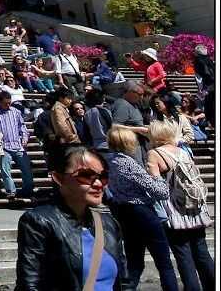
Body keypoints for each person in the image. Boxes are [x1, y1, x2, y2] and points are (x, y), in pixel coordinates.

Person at [15, 146, 128, 289]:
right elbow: (28, 284)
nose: (98, 184)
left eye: (103, 176)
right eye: (86, 175)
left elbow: (124, 281)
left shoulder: (108, 223)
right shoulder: (39, 221)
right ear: (58, 178)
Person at [105, 126, 178, 291]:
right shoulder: (128, 163)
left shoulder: (108, 160)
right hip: (142, 212)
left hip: (123, 212)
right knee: (164, 262)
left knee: (134, 262)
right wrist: (157, 175)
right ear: (127, 143)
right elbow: (160, 191)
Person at [145, 121, 214, 291]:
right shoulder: (183, 152)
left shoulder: (154, 154)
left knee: (183, 254)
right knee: (202, 252)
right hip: (194, 206)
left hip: (174, 210)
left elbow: (157, 186)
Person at [0, 91, 33, 201]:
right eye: (6, 103)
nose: (8, 105)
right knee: (6, 171)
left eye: (9, 103)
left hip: (18, 146)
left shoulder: (15, 111)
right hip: (3, 146)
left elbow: (22, 127)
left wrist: (24, 139)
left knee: (27, 170)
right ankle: (11, 191)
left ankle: (27, 190)